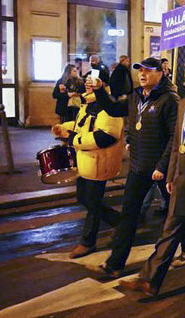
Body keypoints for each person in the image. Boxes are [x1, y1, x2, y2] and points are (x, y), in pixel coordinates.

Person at [119, 60, 185, 297]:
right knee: (169, 231)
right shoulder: (183, 104)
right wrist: (170, 174)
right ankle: (150, 280)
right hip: (182, 181)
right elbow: (177, 143)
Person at [90, 57, 185, 277]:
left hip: (160, 170)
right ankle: (116, 263)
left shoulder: (169, 99)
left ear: (160, 73)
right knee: (129, 214)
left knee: (177, 212)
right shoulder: (135, 96)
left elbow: (174, 136)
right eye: (140, 71)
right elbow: (115, 110)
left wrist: (162, 166)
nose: (142, 74)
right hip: (138, 166)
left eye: (148, 71)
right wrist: (100, 91)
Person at [51, 70, 124, 258]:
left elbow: (106, 136)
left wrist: (74, 139)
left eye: (92, 82)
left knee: (92, 203)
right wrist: (64, 128)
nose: (88, 85)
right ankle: (120, 222)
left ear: (102, 85)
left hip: (100, 163)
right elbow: (80, 125)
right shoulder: (87, 105)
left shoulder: (108, 108)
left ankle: (88, 241)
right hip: (85, 161)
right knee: (84, 198)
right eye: (87, 82)